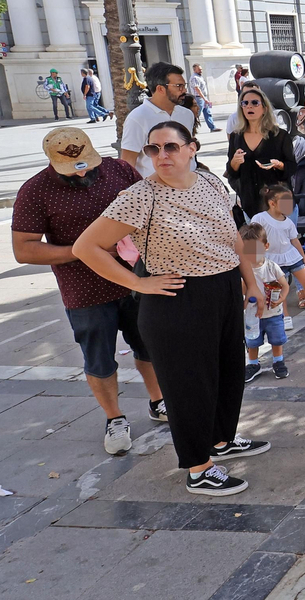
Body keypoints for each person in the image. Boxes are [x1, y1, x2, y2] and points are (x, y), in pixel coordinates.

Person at [74, 120, 270, 496]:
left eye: (170, 147)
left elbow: (234, 235)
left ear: (191, 148)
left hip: (224, 287)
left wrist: (251, 280)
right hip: (176, 298)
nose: (161, 155)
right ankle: (199, 468)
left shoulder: (212, 183)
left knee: (227, 372)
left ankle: (220, 440)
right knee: (188, 385)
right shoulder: (140, 195)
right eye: (153, 149)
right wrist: (137, 282)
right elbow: (86, 247)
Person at [12, 127, 167, 454]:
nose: (82, 171)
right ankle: (115, 418)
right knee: (99, 359)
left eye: (86, 163)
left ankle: (159, 400)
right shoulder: (35, 191)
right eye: (73, 167)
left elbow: (150, 208)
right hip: (85, 291)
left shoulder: (118, 170)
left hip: (135, 280)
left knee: (150, 344)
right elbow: (24, 250)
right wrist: (86, 249)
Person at [250, 184, 305, 326]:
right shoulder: (260, 218)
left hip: (291, 256)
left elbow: (294, 240)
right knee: (279, 287)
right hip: (272, 258)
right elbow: (253, 237)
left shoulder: (288, 222)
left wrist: (303, 257)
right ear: (272, 203)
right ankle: (285, 315)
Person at [225, 85, 297, 218]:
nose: (249, 106)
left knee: (287, 239)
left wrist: (279, 165)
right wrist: (235, 162)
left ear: (264, 108)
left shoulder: (279, 135)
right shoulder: (236, 137)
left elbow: (292, 167)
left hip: (281, 202)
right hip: (250, 203)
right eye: (245, 103)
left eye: (254, 103)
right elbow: (232, 172)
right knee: (257, 239)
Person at [120, 63, 196, 177]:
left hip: (189, 184)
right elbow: (128, 162)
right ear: (160, 88)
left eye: (184, 85)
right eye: (178, 86)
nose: (184, 90)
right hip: (155, 190)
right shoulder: (137, 117)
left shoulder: (187, 114)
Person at [238, 222, 290, 381]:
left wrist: (281, 298)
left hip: (273, 313)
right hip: (253, 315)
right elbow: (242, 291)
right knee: (252, 341)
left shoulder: (271, 266)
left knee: (276, 339)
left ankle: (278, 361)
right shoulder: (244, 270)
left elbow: (284, 285)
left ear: (266, 246)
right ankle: (253, 364)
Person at [190, 63, 216, 132]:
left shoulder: (200, 77)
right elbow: (197, 89)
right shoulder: (194, 78)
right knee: (197, 114)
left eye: (201, 69)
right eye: (199, 69)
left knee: (207, 112)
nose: (201, 71)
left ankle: (212, 127)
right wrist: (204, 99)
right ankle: (190, 128)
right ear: (194, 70)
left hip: (203, 97)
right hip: (199, 98)